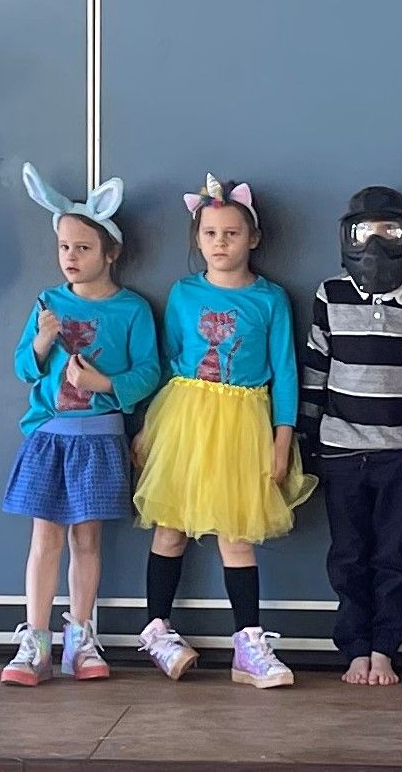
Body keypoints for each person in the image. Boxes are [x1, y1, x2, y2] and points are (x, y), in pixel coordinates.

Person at [133, 173, 317, 690]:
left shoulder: (271, 298)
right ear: (198, 239)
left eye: (232, 233)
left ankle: (248, 645)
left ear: (252, 238)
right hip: (185, 420)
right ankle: (157, 629)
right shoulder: (184, 293)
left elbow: (285, 372)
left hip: (243, 424)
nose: (221, 243)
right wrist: (150, 429)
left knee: (236, 535)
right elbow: (168, 363)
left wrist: (283, 439)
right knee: (170, 526)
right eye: (211, 234)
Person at [0, 163, 159, 686]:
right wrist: (43, 341)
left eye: (83, 248)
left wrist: (105, 385)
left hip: (99, 440)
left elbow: (150, 372)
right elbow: (24, 366)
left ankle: (82, 639)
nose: (71, 257)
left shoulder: (132, 309)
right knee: (44, 538)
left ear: (110, 252)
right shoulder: (47, 302)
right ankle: (34, 640)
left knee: (87, 541)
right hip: (50, 438)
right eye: (64, 247)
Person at [300, 186, 402, 686]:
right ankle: (354, 646)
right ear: (347, 239)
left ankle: (385, 646)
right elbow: (316, 369)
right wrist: (307, 436)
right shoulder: (330, 295)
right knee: (348, 553)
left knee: (392, 556)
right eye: (365, 233)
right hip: (340, 450)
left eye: (391, 232)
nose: (376, 247)